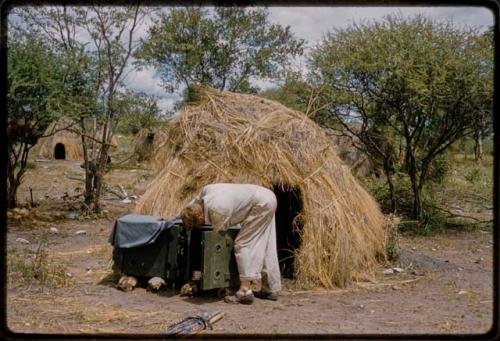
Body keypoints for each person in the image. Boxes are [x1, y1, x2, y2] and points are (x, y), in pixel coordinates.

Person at [180, 183, 281, 304]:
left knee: (243, 243)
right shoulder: (206, 191)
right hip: (266, 196)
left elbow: (221, 234)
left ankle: (245, 291)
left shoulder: (217, 211)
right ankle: (271, 288)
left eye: (198, 224)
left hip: (261, 205)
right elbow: (192, 204)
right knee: (266, 243)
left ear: (201, 218)